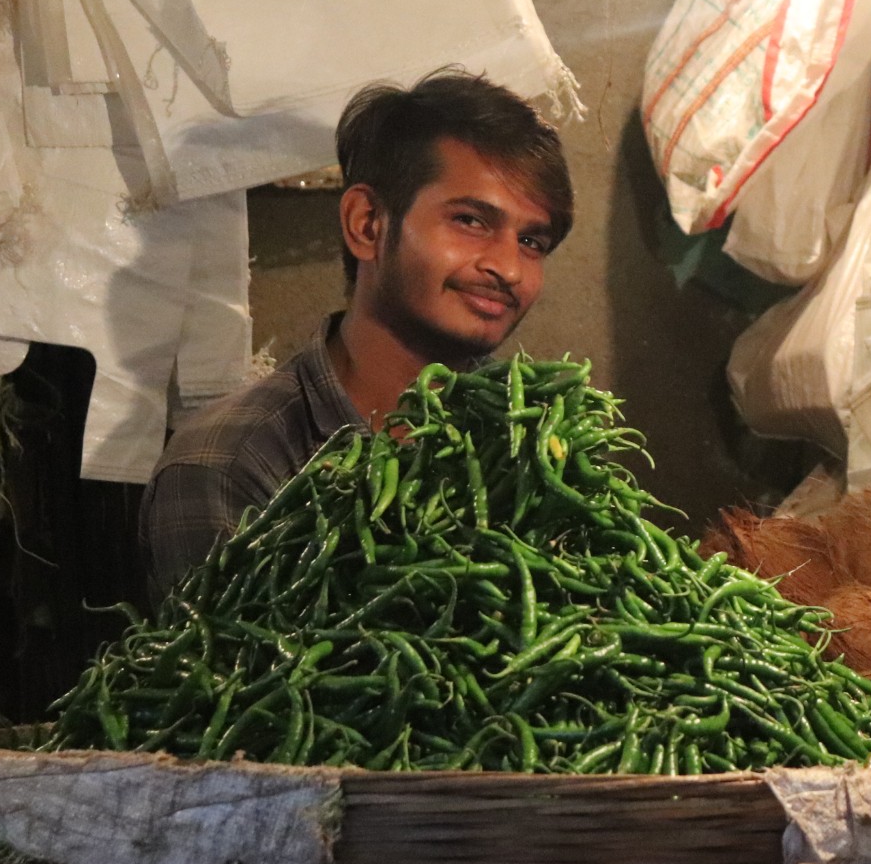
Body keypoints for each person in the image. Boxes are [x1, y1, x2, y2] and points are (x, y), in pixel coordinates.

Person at [138, 69, 574, 605]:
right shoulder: (234, 466)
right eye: (470, 220)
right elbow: (248, 683)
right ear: (367, 224)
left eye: (532, 240)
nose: (508, 268)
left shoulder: (529, 442)